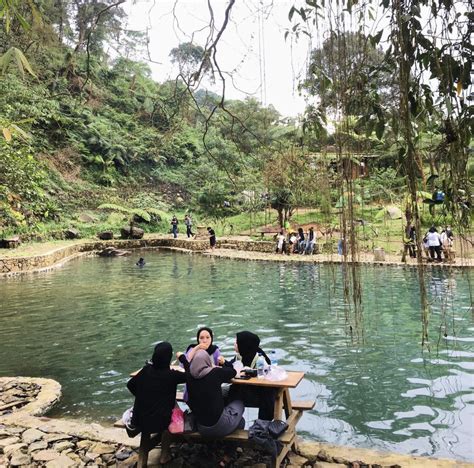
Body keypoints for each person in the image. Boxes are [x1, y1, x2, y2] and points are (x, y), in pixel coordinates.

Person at [126, 342, 186, 464]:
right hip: (160, 423)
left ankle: (144, 458)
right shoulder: (171, 375)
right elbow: (190, 376)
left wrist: (143, 396)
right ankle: (164, 455)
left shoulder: (146, 369)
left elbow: (130, 384)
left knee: (162, 408)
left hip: (138, 420)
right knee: (170, 415)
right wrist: (183, 359)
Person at [177, 349, 245, 438]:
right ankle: (231, 447)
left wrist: (182, 357)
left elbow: (186, 364)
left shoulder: (189, 375)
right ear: (207, 361)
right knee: (239, 404)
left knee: (239, 419)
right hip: (219, 426)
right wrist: (215, 365)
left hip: (201, 427)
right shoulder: (215, 372)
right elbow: (233, 372)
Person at [227, 331, 275, 421]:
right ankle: (230, 420)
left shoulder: (260, 358)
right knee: (227, 392)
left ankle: (262, 425)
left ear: (244, 345)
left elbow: (267, 372)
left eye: (237, 342)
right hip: (244, 391)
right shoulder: (239, 356)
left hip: (259, 393)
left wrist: (251, 372)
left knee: (268, 393)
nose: (235, 344)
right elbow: (230, 366)